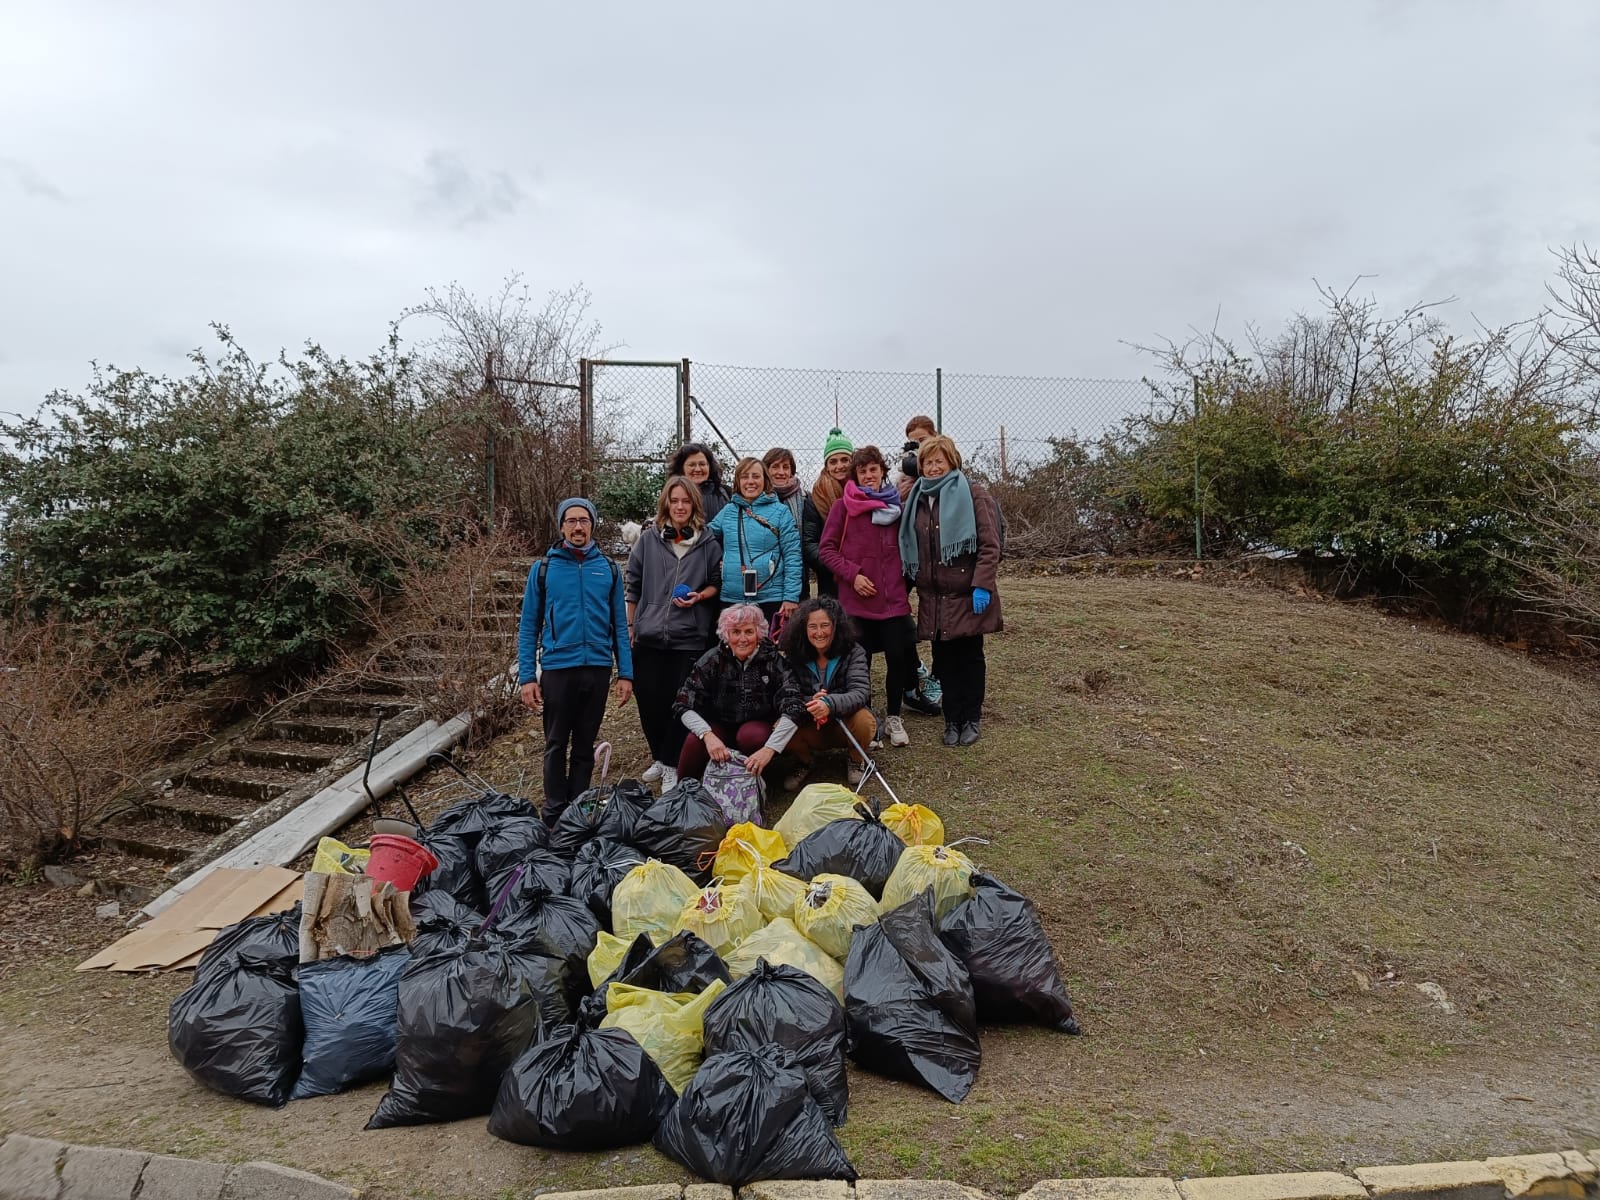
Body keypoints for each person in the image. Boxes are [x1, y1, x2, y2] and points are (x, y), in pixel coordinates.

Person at [518, 497, 634, 825]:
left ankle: (579, 810)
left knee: (585, 745)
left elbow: (619, 627)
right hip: (557, 669)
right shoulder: (543, 570)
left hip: (596, 670)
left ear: (592, 525)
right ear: (561, 526)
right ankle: (554, 813)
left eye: (584, 520)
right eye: (571, 521)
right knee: (555, 744)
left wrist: (625, 672)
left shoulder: (609, 569)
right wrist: (528, 676)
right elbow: (528, 625)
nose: (578, 526)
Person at [899, 435, 1003, 747]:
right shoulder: (916, 499)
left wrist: (982, 584)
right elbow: (910, 547)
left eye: (938, 461)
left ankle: (970, 718)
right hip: (933, 596)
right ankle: (951, 718)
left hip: (967, 594)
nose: (932, 467)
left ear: (951, 462)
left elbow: (990, 544)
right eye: (927, 462)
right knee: (944, 662)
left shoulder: (973, 495)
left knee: (970, 658)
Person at [624, 475, 722, 792]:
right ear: (666, 503)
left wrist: (700, 596)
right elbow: (633, 584)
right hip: (648, 635)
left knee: (680, 704)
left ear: (694, 504)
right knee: (650, 702)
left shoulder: (708, 543)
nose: (680, 507)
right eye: (674, 500)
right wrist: (630, 626)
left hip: (689, 636)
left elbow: (716, 584)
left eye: (686, 501)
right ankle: (659, 755)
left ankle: (670, 765)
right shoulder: (649, 540)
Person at [818, 445, 917, 748]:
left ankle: (894, 717)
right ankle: (868, 719)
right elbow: (826, 550)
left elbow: (910, 547)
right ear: (855, 475)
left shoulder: (897, 506)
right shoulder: (843, 508)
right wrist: (853, 574)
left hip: (894, 601)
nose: (868, 475)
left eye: (873, 469)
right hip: (856, 602)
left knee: (898, 658)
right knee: (860, 664)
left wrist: (905, 581)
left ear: (882, 471)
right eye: (862, 471)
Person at [672, 603, 809, 783]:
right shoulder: (711, 660)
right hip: (719, 726)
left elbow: (795, 705)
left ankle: (748, 781)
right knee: (694, 740)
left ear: (759, 634)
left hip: (757, 727)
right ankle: (683, 791)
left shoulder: (774, 661)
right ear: (726, 635)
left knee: (751, 735)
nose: (743, 639)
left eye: (749, 632)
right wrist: (707, 735)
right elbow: (682, 703)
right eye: (736, 632)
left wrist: (770, 749)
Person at [778, 595, 877, 789]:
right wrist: (811, 702)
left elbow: (860, 691)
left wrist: (830, 703)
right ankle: (805, 762)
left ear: (836, 626)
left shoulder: (853, 651)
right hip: (810, 723)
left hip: (844, 723)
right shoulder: (793, 654)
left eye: (825, 625)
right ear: (803, 629)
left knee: (864, 720)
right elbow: (786, 693)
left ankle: (856, 760)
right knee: (778, 726)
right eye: (812, 627)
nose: (819, 632)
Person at [707, 456, 802, 625]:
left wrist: (791, 597)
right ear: (738, 481)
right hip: (732, 597)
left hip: (771, 598)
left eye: (756, 476)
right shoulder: (728, 511)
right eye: (745, 476)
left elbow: (793, 556)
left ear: (765, 480)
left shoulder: (781, 512)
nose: (750, 481)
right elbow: (704, 536)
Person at [893, 414, 944, 718]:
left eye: (923, 440)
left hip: (936, 557)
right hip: (908, 553)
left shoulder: (945, 468)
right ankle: (915, 667)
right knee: (899, 611)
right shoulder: (904, 475)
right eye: (913, 442)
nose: (918, 448)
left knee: (938, 616)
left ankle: (938, 676)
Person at [802, 427, 854, 598]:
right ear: (826, 465)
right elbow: (809, 544)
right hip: (831, 579)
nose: (840, 466)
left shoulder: (864, 490)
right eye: (833, 461)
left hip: (863, 577)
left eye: (845, 459)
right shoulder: (816, 498)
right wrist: (838, 566)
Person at [763, 446, 810, 599]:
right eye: (775, 467)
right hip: (765, 576)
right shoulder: (756, 499)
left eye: (786, 467)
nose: (781, 472)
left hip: (798, 574)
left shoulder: (805, 499)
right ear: (766, 470)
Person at [667, 441, 730, 522]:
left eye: (702, 464)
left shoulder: (726, 493)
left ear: (710, 466)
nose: (697, 469)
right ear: (681, 468)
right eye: (692, 465)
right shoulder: (671, 493)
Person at [894, 413, 939, 501]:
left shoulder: (945, 452)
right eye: (914, 442)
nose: (919, 445)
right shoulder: (910, 455)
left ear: (934, 435)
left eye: (922, 440)